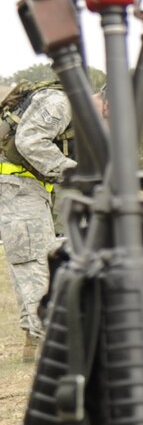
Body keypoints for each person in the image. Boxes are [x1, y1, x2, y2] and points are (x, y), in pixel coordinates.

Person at [0, 75, 74, 360]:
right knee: (36, 265)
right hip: (18, 190)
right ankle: (50, 346)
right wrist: (72, 173)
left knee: (27, 263)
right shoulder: (61, 101)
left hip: (20, 189)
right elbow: (29, 142)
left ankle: (33, 341)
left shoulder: (53, 98)